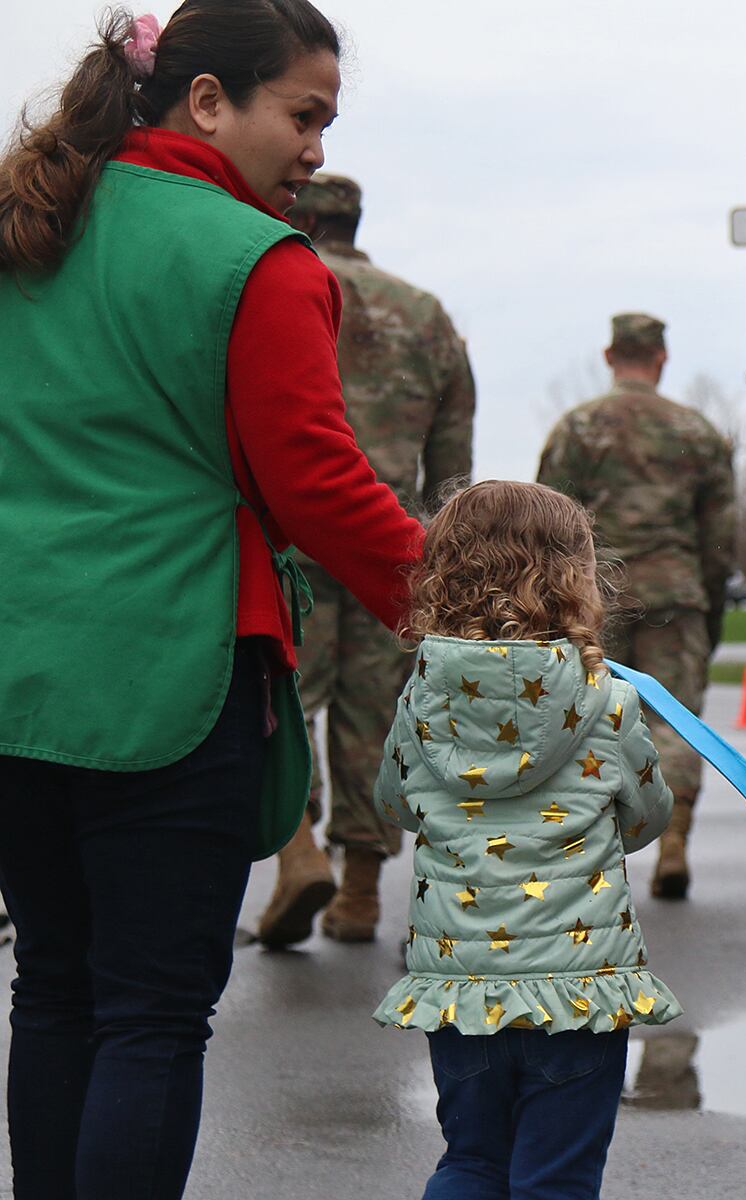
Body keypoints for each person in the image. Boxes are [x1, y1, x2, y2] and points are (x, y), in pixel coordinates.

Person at [0, 3, 424, 1195]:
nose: (317, 149)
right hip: (167, 677)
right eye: (304, 116)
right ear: (205, 103)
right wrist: (460, 599)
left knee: (57, 986)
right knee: (150, 1014)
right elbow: (321, 490)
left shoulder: (30, 226)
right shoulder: (258, 262)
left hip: (16, 676)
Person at [371, 480, 681, 1199]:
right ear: (576, 578)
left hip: (461, 985)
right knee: (558, 1177)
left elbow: (396, 803)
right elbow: (646, 817)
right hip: (578, 989)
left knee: (472, 1160)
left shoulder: (424, 699)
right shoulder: (607, 699)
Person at [256, 172, 478, 948]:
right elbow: (454, 454)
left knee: (283, 694)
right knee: (376, 717)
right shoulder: (425, 316)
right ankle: (359, 889)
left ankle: (297, 849)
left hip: (294, 529)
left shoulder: (284, 280)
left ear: (303, 214)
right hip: (393, 541)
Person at [537, 313, 735, 900]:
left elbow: (547, 523)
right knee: (672, 722)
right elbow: (721, 535)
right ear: (661, 358)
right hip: (676, 591)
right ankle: (672, 842)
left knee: (587, 722)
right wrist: (712, 600)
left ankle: (591, 854)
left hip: (594, 595)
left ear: (609, 354)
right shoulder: (696, 431)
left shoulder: (577, 429)